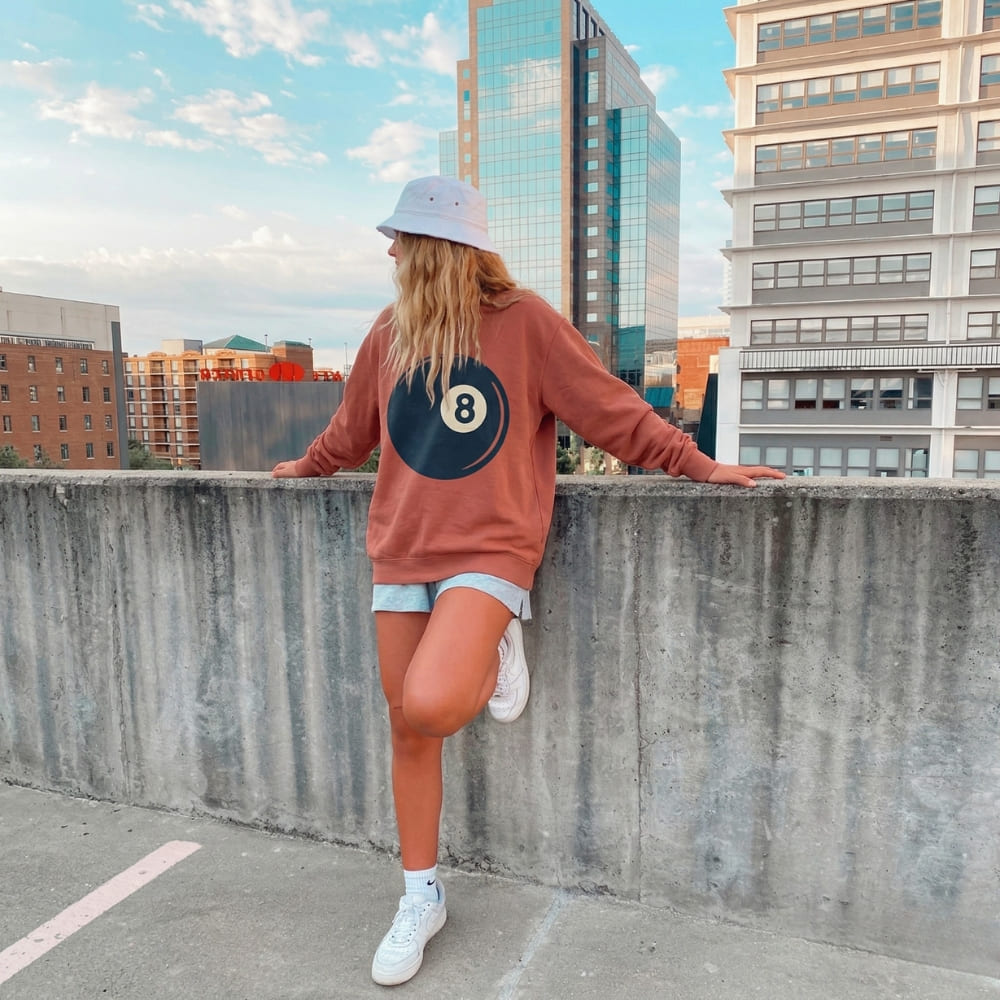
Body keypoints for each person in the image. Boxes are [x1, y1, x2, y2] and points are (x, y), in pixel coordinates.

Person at [272, 175, 785, 986]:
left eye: (402, 238)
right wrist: (306, 466)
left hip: (491, 547)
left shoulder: (525, 326)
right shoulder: (387, 334)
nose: (392, 250)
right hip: (402, 548)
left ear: (437, 248)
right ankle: (420, 894)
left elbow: (609, 409)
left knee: (436, 700)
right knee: (408, 726)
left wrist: (698, 464)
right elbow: (353, 431)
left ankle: (493, 638)